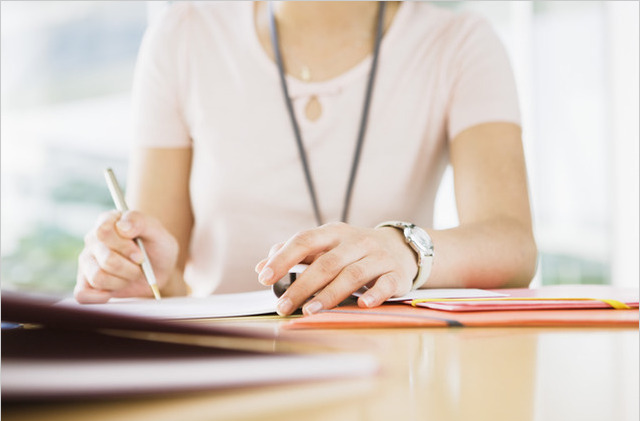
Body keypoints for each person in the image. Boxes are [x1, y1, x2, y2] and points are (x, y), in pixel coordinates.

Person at [74, 1, 537, 316]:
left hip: (390, 353)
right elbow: (165, 280)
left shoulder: (459, 42)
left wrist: (407, 247)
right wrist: (138, 277)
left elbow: (512, 246)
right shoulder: (184, 34)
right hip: (221, 356)